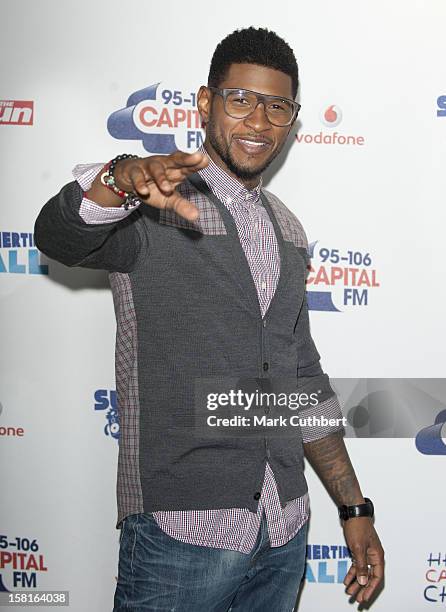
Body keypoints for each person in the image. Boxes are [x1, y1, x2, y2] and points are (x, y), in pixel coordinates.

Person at [35, 26, 384, 612]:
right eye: (240, 99)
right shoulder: (151, 201)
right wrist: (121, 178)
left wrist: (353, 507)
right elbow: (58, 236)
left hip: (283, 533)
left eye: (277, 106)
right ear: (206, 102)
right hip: (183, 536)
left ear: (292, 121)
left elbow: (301, 384)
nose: (258, 121)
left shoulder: (289, 229)